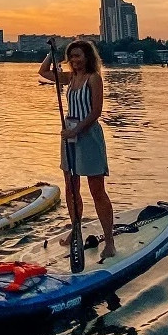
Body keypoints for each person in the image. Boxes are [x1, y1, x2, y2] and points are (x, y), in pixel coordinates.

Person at [38, 40, 115, 259]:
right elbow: (43, 72)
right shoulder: (69, 78)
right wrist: (51, 53)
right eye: (71, 57)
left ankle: (109, 241)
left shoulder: (94, 79)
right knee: (72, 189)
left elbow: (96, 112)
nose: (74, 61)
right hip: (69, 138)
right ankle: (76, 230)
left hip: (88, 137)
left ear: (88, 57)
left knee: (96, 190)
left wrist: (77, 130)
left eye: (78, 56)